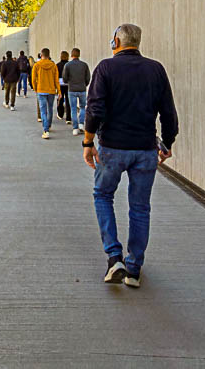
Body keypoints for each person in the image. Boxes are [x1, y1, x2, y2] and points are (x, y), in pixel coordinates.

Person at [83, 24, 177, 286]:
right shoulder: (155, 69)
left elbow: (95, 108)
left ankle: (114, 258)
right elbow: (168, 111)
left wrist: (87, 142)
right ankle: (134, 268)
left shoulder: (105, 68)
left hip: (112, 147)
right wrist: (167, 142)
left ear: (116, 42)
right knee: (140, 207)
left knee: (102, 195)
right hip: (145, 149)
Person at [31, 48, 59, 139]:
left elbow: (33, 79)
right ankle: (49, 125)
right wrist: (59, 90)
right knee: (50, 108)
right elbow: (56, 79)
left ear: (41, 55)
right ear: (49, 55)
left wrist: (35, 88)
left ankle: (45, 130)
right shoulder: (53, 65)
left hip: (41, 90)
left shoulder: (37, 65)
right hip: (51, 90)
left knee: (43, 111)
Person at [63, 48, 90, 135]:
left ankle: (75, 128)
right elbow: (88, 78)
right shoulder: (84, 65)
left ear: (71, 55)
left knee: (73, 109)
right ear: (79, 54)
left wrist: (69, 82)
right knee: (82, 107)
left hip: (72, 90)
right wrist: (84, 84)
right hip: (82, 89)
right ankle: (81, 124)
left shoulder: (68, 65)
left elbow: (64, 78)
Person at [56, 51, 72, 123]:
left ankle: (60, 114)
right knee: (68, 101)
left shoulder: (57, 65)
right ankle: (68, 118)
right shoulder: (69, 65)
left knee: (60, 99)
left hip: (60, 84)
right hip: (69, 84)